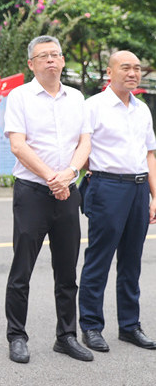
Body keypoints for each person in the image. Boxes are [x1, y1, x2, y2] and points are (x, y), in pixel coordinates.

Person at [3, 35, 93, 364]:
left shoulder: (77, 98)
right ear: (31, 64)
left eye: (55, 55)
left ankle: (66, 335)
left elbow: (85, 142)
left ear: (63, 60)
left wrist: (68, 173)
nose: (51, 60)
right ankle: (17, 336)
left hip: (68, 190)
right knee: (22, 268)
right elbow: (18, 145)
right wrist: (52, 178)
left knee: (67, 268)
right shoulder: (20, 97)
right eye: (43, 56)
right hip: (32, 193)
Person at [78, 50, 156, 352]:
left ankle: (129, 325)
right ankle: (91, 326)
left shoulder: (143, 109)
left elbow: (149, 154)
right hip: (107, 187)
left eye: (137, 68)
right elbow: (81, 148)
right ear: (110, 72)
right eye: (126, 68)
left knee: (131, 261)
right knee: (99, 259)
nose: (133, 73)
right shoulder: (93, 107)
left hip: (138, 189)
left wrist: (153, 195)